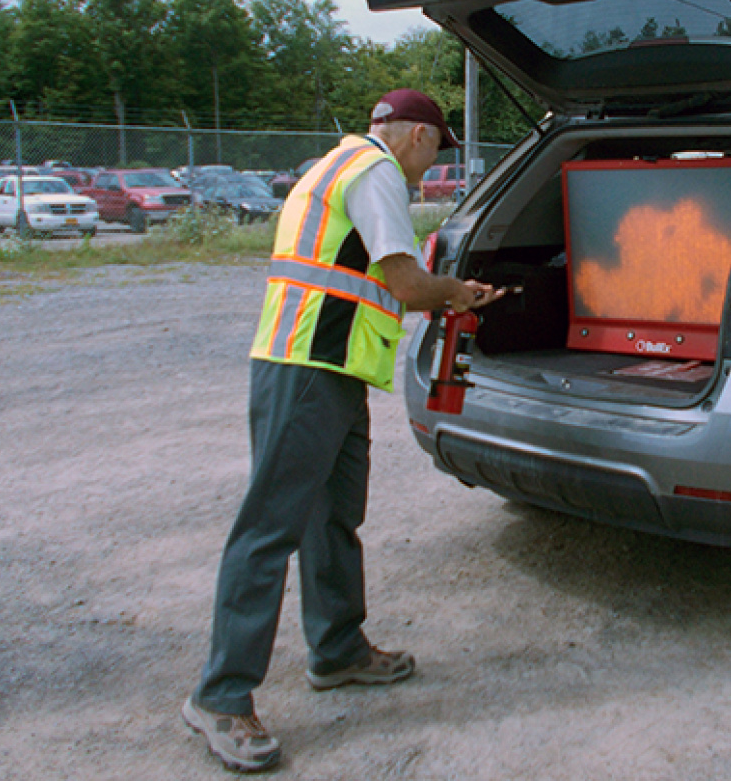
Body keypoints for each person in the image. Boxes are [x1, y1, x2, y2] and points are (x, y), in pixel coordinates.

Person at [183, 89, 503, 773]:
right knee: (268, 529)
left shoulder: (334, 163)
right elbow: (406, 283)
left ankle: (337, 649)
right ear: (416, 135)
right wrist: (456, 292)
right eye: (434, 150)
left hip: (326, 366)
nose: (429, 169)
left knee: (333, 517)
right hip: (305, 368)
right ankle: (220, 696)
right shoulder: (377, 173)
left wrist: (438, 291)